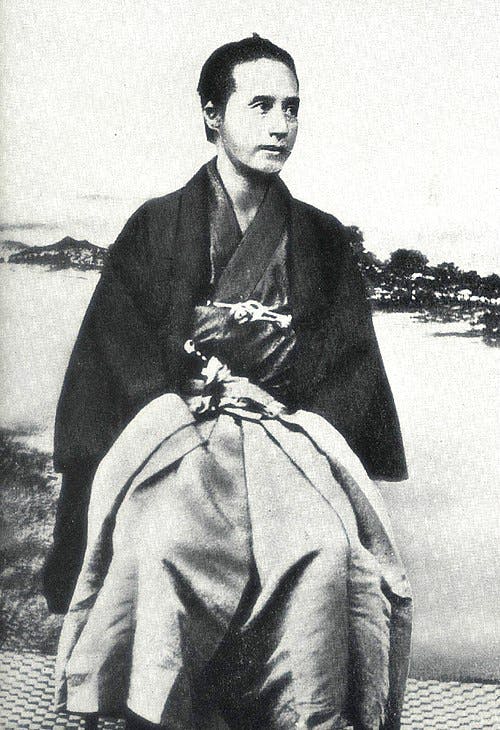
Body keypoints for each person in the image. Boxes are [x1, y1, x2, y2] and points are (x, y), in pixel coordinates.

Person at [45, 35, 411, 730]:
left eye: (292, 108)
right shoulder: (156, 227)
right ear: (213, 115)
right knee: (159, 546)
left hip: (286, 437)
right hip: (181, 436)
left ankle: (302, 711)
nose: (281, 125)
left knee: (326, 552)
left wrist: (280, 403)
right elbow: (117, 351)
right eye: (261, 106)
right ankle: (160, 707)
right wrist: (196, 394)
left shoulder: (323, 238)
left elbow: (349, 363)